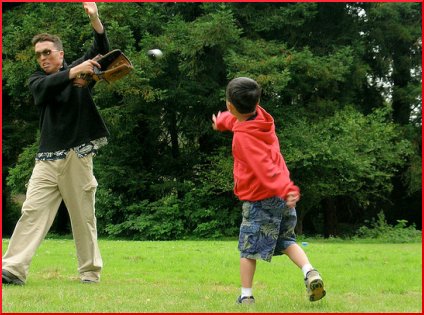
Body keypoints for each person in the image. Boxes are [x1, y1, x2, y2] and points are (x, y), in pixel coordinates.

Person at [2, 2, 110, 285]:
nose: (42, 58)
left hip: (78, 155)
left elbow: (101, 44)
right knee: (32, 212)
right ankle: (12, 269)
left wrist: (95, 18)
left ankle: (89, 272)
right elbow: (43, 90)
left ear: (61, 54)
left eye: (47, 52)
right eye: (39, 54)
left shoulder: (79, 70)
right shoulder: (38, 80)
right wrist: (75, 73)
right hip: (47, 160)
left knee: (83, 216)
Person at [211, 77, 326, 304]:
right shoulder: (261, 118)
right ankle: (310, 271)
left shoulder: (244, 139)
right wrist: (223, 122)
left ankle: (246, 296)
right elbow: (236, 120)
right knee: (286, 239)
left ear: (230, 105)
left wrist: (286, 188)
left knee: (248, 248)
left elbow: (265, 168)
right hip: (281, 197)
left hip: (260, 198)